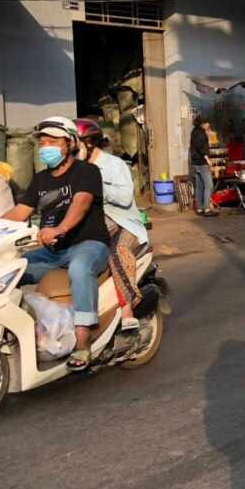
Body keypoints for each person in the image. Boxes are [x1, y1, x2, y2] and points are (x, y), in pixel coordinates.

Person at [3, 117, 112, 370]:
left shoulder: (87, 172)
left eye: (52, 141)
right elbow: (19, 212)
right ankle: (22, 332)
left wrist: (61, 228)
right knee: (10, 270)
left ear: (70, 143)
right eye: (42, 143)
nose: (45, 147)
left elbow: (81, 203)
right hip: (53, 253)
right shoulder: (40, 180)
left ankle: (83, 340)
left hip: (89, 244)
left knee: (79, 268)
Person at [76, 118, 148, 332]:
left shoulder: (113, 165)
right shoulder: (76, 168)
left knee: (117, 250)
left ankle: (128, 309)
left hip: (124, 223)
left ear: (89, 143)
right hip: (95, 223)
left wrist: (94, 187)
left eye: (74, 144)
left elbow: (125, 198)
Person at [189, 116, 217, 217]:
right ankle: (207, 209)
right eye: (208, 123)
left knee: (199, 186)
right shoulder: (201, 134)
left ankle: (199, 208)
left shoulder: (194, 131)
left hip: (195, 163)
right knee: (209, 185)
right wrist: (208, 160)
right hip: (202, 163)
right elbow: (202, 148)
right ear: (203, 123)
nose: (209, 125)